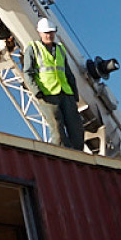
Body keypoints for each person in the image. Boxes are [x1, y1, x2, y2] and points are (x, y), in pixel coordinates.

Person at [21, 17, 85, 150]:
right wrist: (37, 91)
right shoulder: (33, 48)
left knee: (76, 127)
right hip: (47, 94)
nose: (49, 35)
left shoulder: (60, 49)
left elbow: (68, 73)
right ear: (40, 33)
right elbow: (27, 72)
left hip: (65, 92)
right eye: (46, 33)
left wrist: (74, 93)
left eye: (51, 32)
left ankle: (79, 154)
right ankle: (62, 155)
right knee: (57, 127)